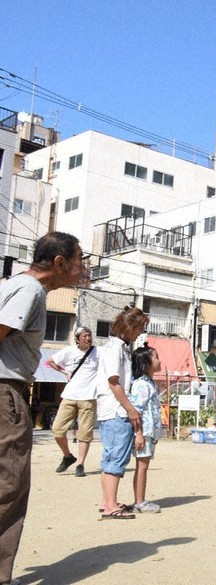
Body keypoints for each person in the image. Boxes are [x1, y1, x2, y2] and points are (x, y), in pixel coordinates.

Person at [0, 231, 83, 585]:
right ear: (60, 262)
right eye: (79, 260)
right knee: (9, 483)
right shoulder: (30, 291)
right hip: (6, 392)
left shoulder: (14, 285)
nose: (82, 269)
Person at [96, 306, 148, 520]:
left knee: (110, 457)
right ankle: (110, 505)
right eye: (139, 328)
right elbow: (114, 382)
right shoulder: (114, 349)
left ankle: (108, 500)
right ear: (129, 327)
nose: (140, 333)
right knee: (117, 457)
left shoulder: (119, 347)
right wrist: (130, 409)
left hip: (112, 409)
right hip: (116, 409)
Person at [47, 326, 99, 478]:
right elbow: (50, 362)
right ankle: (68, 456)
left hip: (88, 397)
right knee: (57, 429)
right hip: (69, 396)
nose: (88, 338)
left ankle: (80, 464)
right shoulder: (68, 351)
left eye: (89, 335)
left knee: (85, 433)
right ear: (77, 339)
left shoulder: (98, 352)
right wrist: (65, 372)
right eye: (84, 336)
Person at [129, 344, 164, 514]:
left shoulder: (150, 383)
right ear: (146, 362)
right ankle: (140, 502)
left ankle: (139, 500)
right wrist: (139, 434)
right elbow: (137, 411)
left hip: (150, 432)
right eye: (156, 357)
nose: (159, 360)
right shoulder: (141, 384)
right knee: (142, 466)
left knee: (144, 465)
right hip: (144, 432)